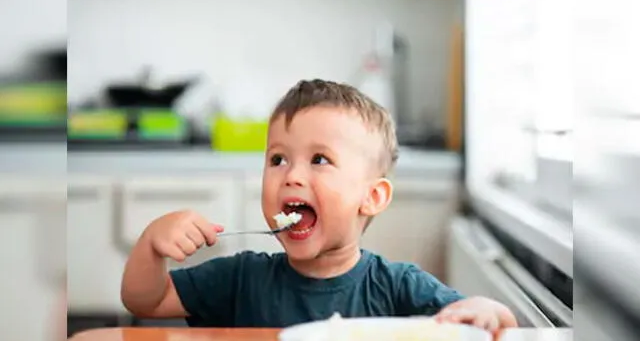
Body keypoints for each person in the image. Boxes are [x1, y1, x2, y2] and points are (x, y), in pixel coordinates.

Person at [120, 79, 517, 335]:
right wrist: (151, 244)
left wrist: (487, 309)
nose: (290, 176)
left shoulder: (397, 286)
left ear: (372, 197)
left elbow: (491, 319)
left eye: (319, 160)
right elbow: (146, 301)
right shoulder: (242, 277)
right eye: (277, 159)